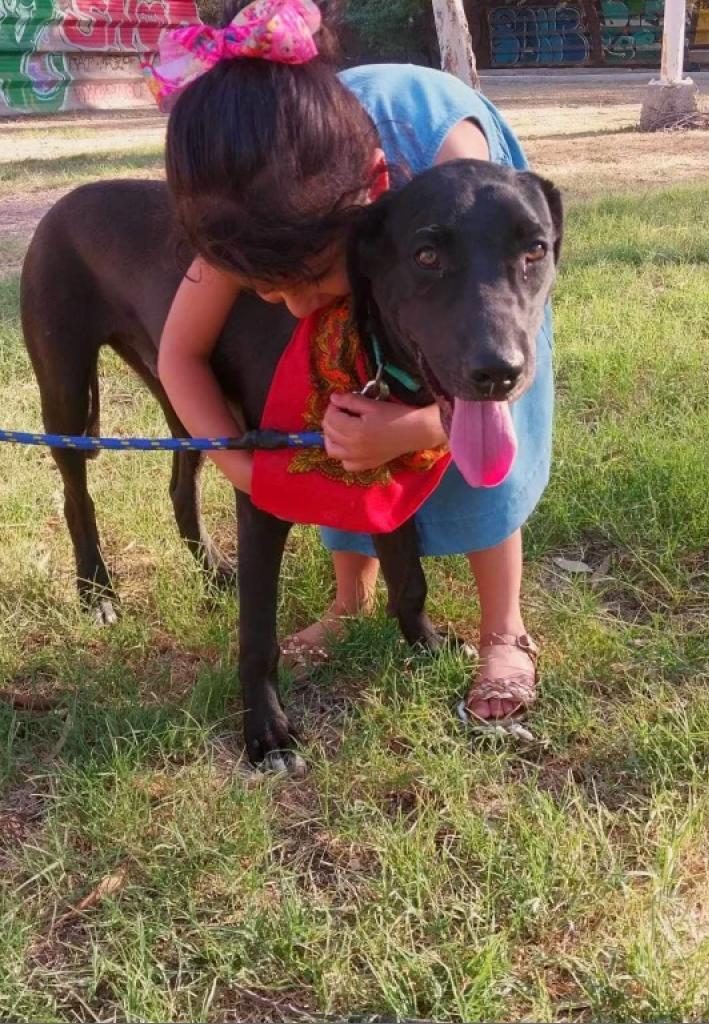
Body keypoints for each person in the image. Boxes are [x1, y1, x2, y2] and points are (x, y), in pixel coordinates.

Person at [147, 0, 554, 723]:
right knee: (334, 406)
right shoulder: (253, 209)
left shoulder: (453, 171)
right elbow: (180, 354)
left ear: (368, 197)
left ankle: (504, 629)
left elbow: (501, 337)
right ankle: (349, 598)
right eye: (270, 291)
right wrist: (246, 471)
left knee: (480, 406)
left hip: (485, 277)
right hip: (365, 221)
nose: (298, 308)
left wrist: (412, 429)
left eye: (309, 281)